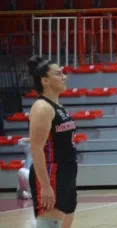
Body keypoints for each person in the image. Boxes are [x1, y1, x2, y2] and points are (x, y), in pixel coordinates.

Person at [26, 55, 77, 228]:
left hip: (66, 171)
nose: (64, 76)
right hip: (51, 173)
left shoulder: (58, 106)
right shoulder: (42, 107)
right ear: (45, 80)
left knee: (65, 223)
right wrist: (45, 186)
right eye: (58, 73)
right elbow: (36, 149)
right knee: (49, 225)